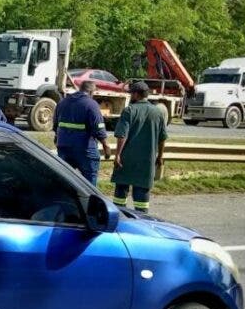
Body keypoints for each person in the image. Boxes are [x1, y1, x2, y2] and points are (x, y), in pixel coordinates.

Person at [112, 81, 167, 213]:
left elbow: (122, 135)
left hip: (126, 160)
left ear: (136, 94)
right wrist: (160, 156)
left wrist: (118, 154)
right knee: (142, 198)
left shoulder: (129, 110)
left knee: (120, 193)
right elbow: (162, 138)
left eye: (131, 93)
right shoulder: (157, 113)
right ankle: (142, 221)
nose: (131, 96)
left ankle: (120, 218)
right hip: (146, 162)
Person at [53, 80, 111, 185]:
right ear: (91, 92)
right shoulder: (91, 104)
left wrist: (57, 137)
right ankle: (90, 199)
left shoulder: (63, 102)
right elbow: (99, 127)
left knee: (65, 179)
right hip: (84, 149)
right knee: (90, 179)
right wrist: (106, 145)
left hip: (63, 146)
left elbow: (56, 124)